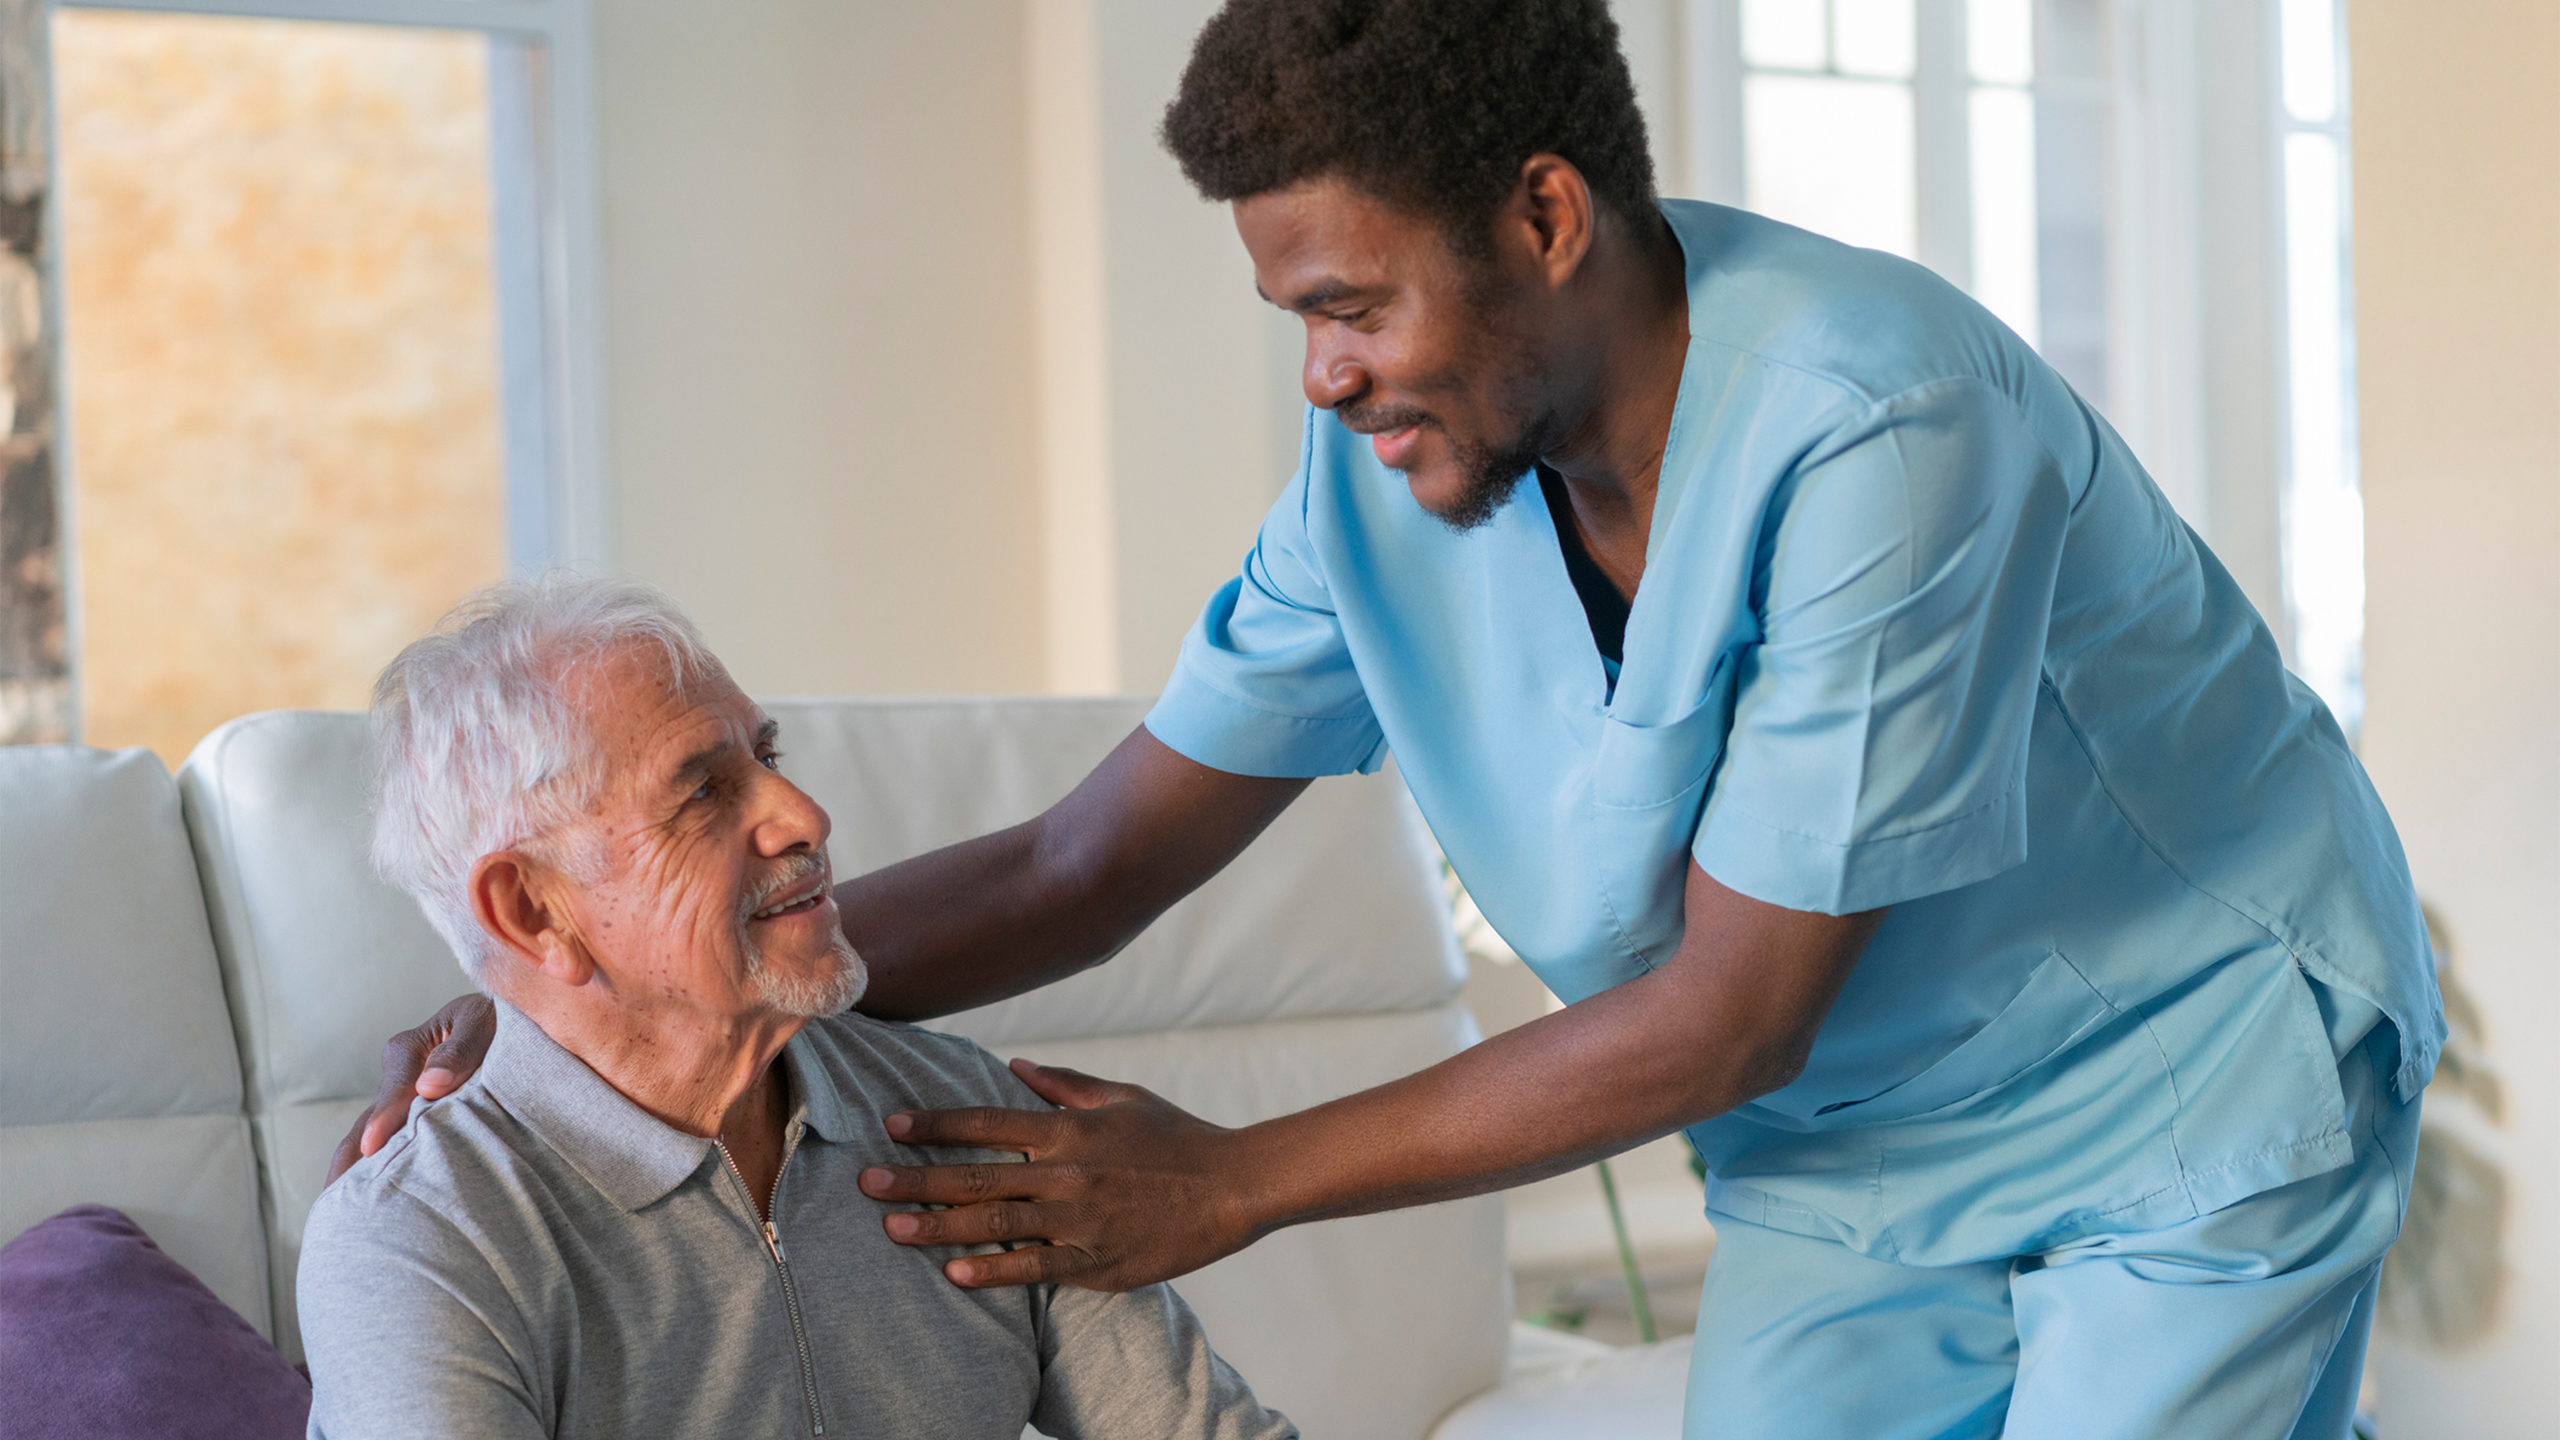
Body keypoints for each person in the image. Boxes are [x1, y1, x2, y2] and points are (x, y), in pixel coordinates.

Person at [342, 3, 2440, 1435]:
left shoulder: (1874, 427)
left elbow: (1730, 1012)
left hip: (2172, 1090)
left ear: (1542, 219)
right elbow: (1088, 864)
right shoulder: (1385, 485)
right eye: (1293, 324)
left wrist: (1225, 1182)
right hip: (1850, 1151)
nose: (1322, 377)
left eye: (1349, 307)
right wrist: (630, 995)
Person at [302, 577, 1292, 1440]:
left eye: (767, 755)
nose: (804, 815)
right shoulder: (421, 1241)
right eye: (702, 793)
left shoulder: (963, 1115)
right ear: (531, 910)